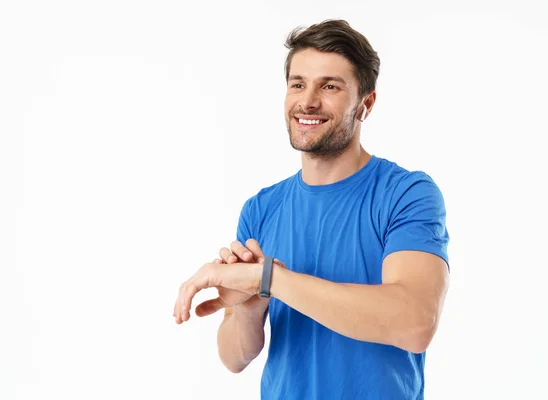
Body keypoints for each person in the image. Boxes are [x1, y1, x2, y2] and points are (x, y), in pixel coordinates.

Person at [174, 19, 450, 400]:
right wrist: (253, 304)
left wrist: (269, 279)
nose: (308, 101)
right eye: (298, 84)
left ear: (365, 104)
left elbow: (415, 323)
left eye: (330, 86)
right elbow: (234, 357)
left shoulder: (405, 193)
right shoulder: (262, 207)